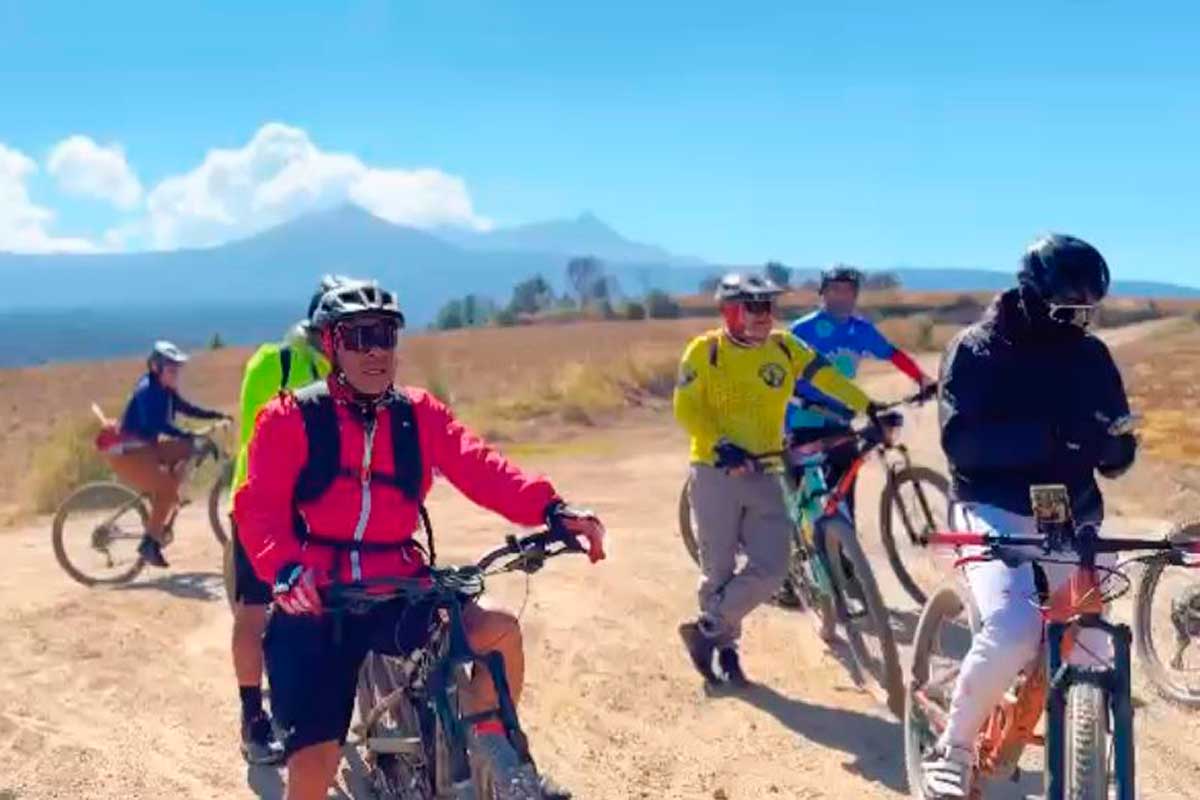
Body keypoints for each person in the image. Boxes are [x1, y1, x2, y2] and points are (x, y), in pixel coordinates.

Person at [233, 278, 606, 800]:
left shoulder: (418, 413)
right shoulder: (291, 417)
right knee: (314, 766)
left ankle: (499, 752)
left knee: (497, 631)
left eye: (386, 335)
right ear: (332, 344)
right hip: (322, 604)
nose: (376, 351)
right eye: (360, 337)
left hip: (399, 586)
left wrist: (551, 508)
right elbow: (259, 508)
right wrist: (286, 570)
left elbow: (480, 465)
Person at [921, 234, 1137, 799]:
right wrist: (1053, 441)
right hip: (992, 505)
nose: (1082, 324)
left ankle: (1091, 764)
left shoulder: (1091, 356)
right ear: (1035, 297)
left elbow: (1113, 433)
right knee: (1017, 627)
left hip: (1072, 514)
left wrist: (1117, 450)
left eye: (1091, 312)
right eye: (1071, 312)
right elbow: (961, 444)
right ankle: (955, 747)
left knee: (1093, 642)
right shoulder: (977, 349)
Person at [673, 273, 880, 687]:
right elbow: (686, 409)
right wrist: (720, 446)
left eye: (768, 306)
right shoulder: (706, 351)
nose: (763, 316)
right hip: (717, 471)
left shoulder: (785, 347)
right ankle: (728, 651)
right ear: (729, 311)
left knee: (774, 567)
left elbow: (828, 380)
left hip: (767, 469)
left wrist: (870, 407)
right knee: (719, 569)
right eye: (753, 306)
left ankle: (707, 629)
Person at [227, 275, 345, 766]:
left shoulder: (351, 370)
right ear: (319, 329)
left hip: (319, 510)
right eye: (341, 331)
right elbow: (262, 441)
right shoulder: (273, 364)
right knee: (254, 613)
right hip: (263, 506)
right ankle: (253, 717)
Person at [787, 264, 933, 520]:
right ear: (823, 293)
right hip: (803, 419)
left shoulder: (861, 329)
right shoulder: (802, 330)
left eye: (848, 291)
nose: (842, 296)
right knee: (804, 499)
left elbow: (892, 354)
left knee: (843, 495)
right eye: (835, 290)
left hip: (841, 418)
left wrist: (921, 378)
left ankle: (844, 552)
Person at [101, 340, 230, 568]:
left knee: (188, 448)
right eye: (171, 370)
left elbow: (187, 408)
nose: (176, 375)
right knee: (167, 490)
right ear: (156, 369)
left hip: (146, 448)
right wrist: (188, 433)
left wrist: (216, 415)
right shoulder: (147, 392)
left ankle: (166, 497)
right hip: (129, 454)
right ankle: (149, 543)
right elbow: (159, 425)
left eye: (177, 370)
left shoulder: (165, 389)